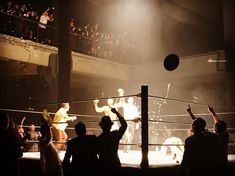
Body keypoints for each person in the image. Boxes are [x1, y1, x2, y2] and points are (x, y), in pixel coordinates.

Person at [97, 108, 127, 176]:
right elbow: (124, 125)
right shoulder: (115, 135)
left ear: (101, 126)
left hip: (103, 167)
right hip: (115, 165)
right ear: (111, 126)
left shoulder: (98, 139)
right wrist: (116, 112)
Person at [39, 111, 63, 176]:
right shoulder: (46, 142)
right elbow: (50, 136)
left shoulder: (43, 142)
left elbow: (42, 157)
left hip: (52, 165)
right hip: (53, 166)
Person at [208, 105, 229, 174]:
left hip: (215, 163)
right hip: (224, 162)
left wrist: (190, 113)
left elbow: (199, 126)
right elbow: (219, 123)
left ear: (215, 129)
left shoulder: (213, 136)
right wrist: (212, 112)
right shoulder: (225, 134)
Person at [0, 111, 23, 176]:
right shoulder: (12, 138)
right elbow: (19, 154)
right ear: (6, 122)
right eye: (8, 120)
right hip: (10, 169)